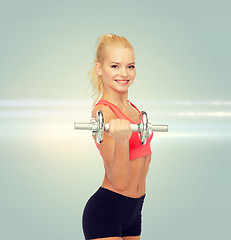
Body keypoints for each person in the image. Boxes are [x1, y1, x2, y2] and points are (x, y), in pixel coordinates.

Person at [82, 34, 153, 240]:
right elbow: (119, 182)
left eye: (130, 66)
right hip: (107, 212)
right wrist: (122, 139)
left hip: (134, 211)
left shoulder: (133, 109)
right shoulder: (103, 113)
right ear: (99, 68)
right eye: (115, 66)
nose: (124, 73)